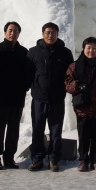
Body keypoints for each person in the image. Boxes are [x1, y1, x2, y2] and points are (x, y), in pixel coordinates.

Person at [25, 22, 74, 172]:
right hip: (39, 98)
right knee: (37, 129)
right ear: (42, 34)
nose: (50, 35)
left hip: (57, 98)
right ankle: (37, 158)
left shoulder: (65, 53)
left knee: (56, 130)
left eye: (53, 33)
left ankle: (54, 158)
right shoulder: (33, 52)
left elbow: (70, 74)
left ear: (58, 34)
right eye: (47, 32)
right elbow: (28, 73)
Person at [0, 21, 29, 170]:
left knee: (13, 129)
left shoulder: (23, 52)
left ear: (19, 33)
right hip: (0, 97)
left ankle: (9, 157)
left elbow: (28, 73)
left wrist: (24, 87)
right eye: (10, 30)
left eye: (15, 31)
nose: (12, 33)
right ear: (5, 32)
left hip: (17, 97)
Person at [64, 37, 96, 172]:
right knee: (83, 135)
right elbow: (67, 84)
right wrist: (79, 86)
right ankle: (83, 160)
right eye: (88, 48)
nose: (91, 51)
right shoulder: (74, 66)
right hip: (82, 107)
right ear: (84, 49)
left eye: (94, 48)